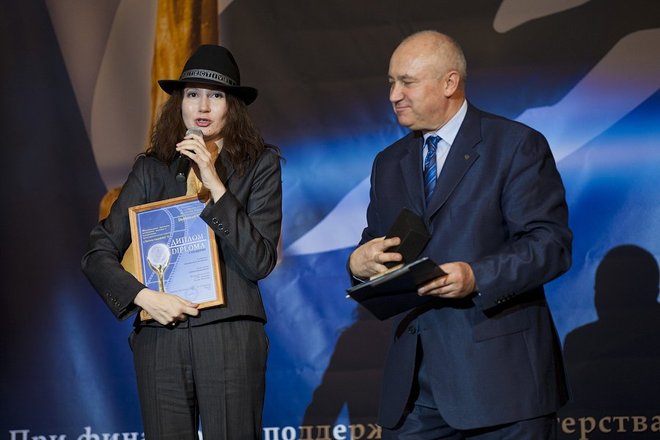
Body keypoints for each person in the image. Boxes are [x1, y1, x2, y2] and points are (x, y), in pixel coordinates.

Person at [348, 31, 572, 439]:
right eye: (391, 83)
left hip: (502, 385)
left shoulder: (515, 145)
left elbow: (549, 244)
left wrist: (476, 276)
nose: (394, 95)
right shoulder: (388, 163)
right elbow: (376, 243)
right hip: (415, 390)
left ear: (450, 82)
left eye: (407, 82)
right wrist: (359, 262)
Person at [82, 44, 282, 439]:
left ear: (232, 106)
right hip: (161, 334)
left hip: (228, 332)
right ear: (180, 103)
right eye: (192, 94)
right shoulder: (151, 169)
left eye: (215, 95)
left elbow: (259, 262)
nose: (202, 106)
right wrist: (143, 297)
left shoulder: (259, 165)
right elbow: (97, 253)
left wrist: (215, 184)